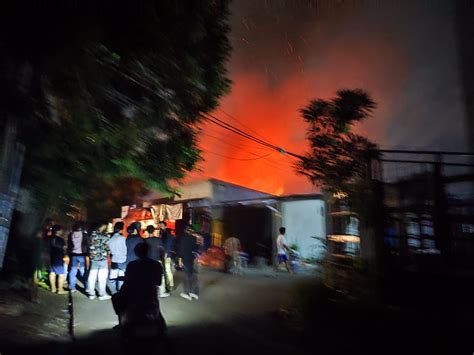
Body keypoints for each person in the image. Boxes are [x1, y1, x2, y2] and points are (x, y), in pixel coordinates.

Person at [112, 242, 166, 332]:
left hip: (135, 294)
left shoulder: (132, 265)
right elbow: (158, 282)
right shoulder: (156, 264)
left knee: (116, 298)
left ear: (136, 252)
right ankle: (161, 328)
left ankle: (122, 323)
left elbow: (128, 280)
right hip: (151, 293)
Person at [86, 221, 111, 300]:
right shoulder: (105, 236)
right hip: (102, 258)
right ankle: (102, 294)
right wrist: (108, 252)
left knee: (92, 276)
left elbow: (88, 245)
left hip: (93, 258)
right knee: (102, 277)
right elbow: (108, 247)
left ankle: (91, 294)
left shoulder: (90, 235)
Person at [145, 225, 169, 298]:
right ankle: (162, 292)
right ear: (154, 231)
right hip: (157, 260)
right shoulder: (158, 240)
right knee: (161, 277)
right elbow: (163, 250)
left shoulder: (145, 241)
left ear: (147, 231)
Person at [178, 225, 200, 301]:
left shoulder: (183, 238)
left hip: (185, 258)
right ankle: (193, 292)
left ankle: (186, 293)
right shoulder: (194, 238)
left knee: (186, 276)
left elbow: (181, 249)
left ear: (186, 230)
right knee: (192, 276)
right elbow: (195, 249)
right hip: (191, 259)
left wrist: (180, 259)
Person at [67, 222, 89, 292]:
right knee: (83, 271)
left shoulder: (70, 234)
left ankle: (72, 287)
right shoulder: (84, 235)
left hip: (73, 254)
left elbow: (69, 244)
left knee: (73, 271)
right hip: (82, 254)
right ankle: (87, 287)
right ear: (80, 228)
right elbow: (87, 244)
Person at [108, 221, 127, 294]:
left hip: (114, 260)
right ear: (121, 229)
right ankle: (120, 290)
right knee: (121, 277)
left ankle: (113, 292)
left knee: (113, 277)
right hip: (122, 259)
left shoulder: (111, 238)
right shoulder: (122, 238)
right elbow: (125, 249)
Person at [48, 225, 68, 294]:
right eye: (61, 230)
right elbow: (64, 248)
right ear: (58, 231)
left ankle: (53, 288)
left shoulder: (49, 238)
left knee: (52, 273)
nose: (62, 231)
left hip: (51, 257)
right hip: (58, 257)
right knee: (61, 274)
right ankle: (60, 289)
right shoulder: (60, 239)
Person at [159, 221, 175, 293]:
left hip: (167, 254)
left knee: (168, 269)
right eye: (160, 225)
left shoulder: (167, 233)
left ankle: (171, 285)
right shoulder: (162, 233)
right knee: (166, 269)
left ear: (165, 226)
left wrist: (166, 253)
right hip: (164, 253)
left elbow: (169, 244)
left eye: (162, 225)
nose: (160, 226)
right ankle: (168, 284)